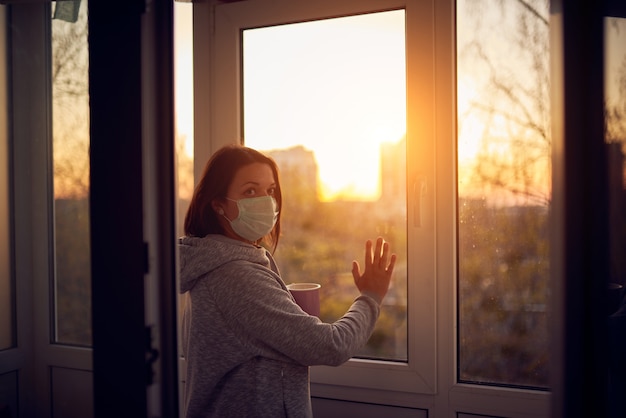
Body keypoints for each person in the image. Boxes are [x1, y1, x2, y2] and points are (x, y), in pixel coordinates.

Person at [179, 144, 397, 418]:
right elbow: (331, 346)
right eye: (250, 191)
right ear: (218, 204)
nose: (266, 201)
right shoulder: (235, 276)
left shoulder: (222, 263)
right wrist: (370, 297)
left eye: (270, 191)